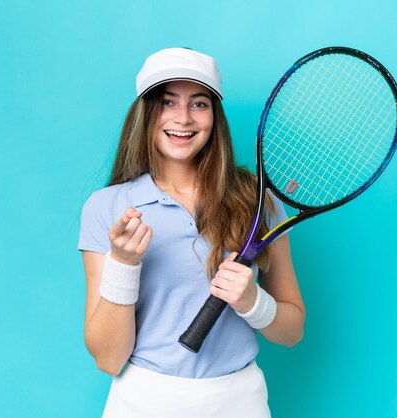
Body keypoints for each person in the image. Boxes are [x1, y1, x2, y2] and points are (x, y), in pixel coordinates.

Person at [78, 47, 305, 418]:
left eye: (199, 104)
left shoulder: (256, 200)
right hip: (143, 402)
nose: (183, 118)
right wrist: (123, 263)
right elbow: (108, 358)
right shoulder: (107, 207)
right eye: (168, 102)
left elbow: (292, 332)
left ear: (215, 117)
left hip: (239, 402)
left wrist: (253, 302)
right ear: (146, 113)